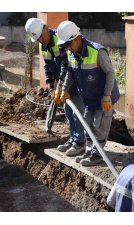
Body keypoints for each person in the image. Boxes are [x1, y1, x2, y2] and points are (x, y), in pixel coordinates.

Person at [56, 21, 120, 167]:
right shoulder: (71, 52)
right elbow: (70, 73)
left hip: (103, 97)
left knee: (99, 125)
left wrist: (106, 96)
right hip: (89, 97)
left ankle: (97, 154)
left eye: (69, 45)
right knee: (87, 124)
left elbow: (110, 73)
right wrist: (64, 90)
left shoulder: (97, 51)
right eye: (66, 46)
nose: (68, 49)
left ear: (77, 38)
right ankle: (90, 150)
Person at [25, 18, 85, 156]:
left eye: (41, 35)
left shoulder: (61, 41)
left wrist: (61, 88)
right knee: (68, 113)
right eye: (37, 38)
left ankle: (80, 142)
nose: (40, 40)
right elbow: (47, 67)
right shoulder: (43, 46)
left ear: (46, 28)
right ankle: (73, 139)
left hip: (74, 81)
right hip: (64, 84)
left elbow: (66, 65)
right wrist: (51, 87)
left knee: (77, 112)